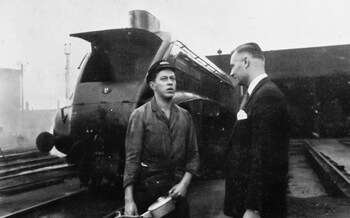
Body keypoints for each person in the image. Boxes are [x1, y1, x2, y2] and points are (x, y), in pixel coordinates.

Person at [123, 60, 200, 218]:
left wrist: (184, 184)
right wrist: (129, 200)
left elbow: (193, 156)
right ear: (153, 85)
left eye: (172, 78)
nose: (170, 82)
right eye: (163, 79)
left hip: (177, 195)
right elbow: (132, 160)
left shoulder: (185, 117)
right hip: (149, 194)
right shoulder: (140, 115)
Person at [224, 43, 290, 218]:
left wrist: (254, 208)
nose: (231, 72)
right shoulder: (259, 94)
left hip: (258, 208)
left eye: (232, 65)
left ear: (246, 62)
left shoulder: (267, 96)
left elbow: (266, 157)